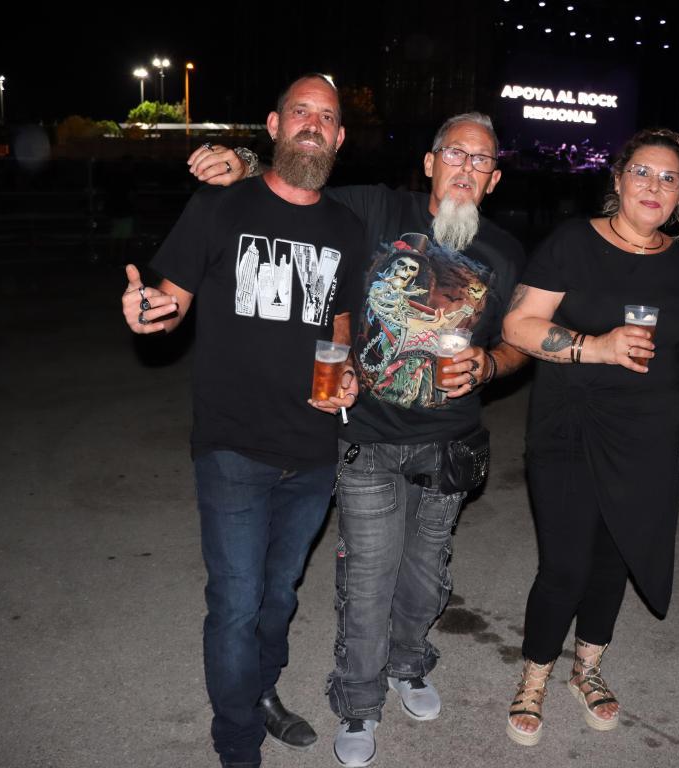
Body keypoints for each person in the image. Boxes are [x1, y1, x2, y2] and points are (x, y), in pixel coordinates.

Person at [190, 112, 529, 768]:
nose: (466, 167)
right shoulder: (376, 208)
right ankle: (358, 700)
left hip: (448, 443)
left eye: (481, 160)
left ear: (494, 178)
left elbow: (519, 341)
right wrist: (245, 165)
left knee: (426, 577)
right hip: (367, 437)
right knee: (369, 577)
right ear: (429, 163)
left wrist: (490, 364)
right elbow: (297, 187)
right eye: (454, 153)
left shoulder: (506, 253)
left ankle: (409, 664)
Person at [120, 74, 365, 768]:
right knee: (235, 600)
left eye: (327, 116)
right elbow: (169, 299)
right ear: (275, 125)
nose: (313, 124)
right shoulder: (220, 205)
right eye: (300, 112)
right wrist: (149, 313)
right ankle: (237, 742)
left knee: (278, 596)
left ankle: (260, 692)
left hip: (313, 449)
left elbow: (340, 323)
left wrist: (348, 373)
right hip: (232, 444)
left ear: (339, 138)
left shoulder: (346, 228)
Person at [500, 128, 679, 746]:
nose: (654, 186)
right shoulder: (573, 242)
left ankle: (587, 669)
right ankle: (535, 674)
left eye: (669, 178)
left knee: (617, 556)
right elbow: (517, 325)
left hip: (649, 434)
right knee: (566, 563)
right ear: (617, 180)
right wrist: (597, 346)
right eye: (642, 172)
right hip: (572, 425)